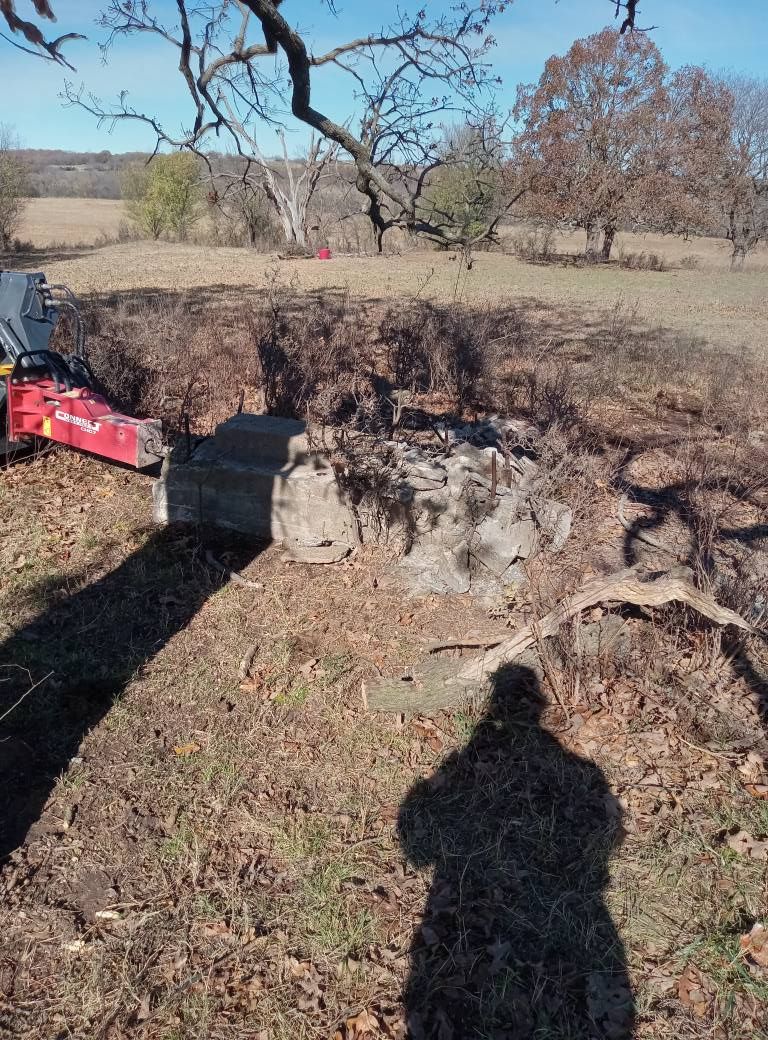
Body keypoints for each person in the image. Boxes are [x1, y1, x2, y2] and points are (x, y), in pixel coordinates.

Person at [398, 664, 634, 1039]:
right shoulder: (578, 769)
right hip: (576, 905)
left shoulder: (564, 767)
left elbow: (416, 849)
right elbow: (612, 830)